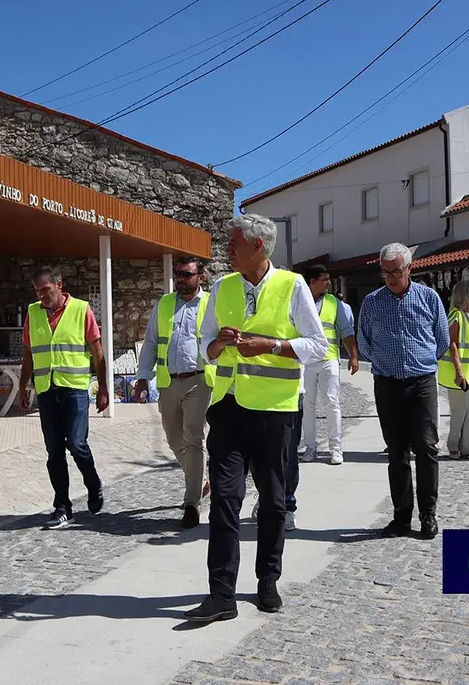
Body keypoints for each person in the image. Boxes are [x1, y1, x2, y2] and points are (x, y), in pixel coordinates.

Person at [183, 213, 327, 623]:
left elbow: (318, 346)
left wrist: (273, 345)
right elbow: (203, 345)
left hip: (274, 411)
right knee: (226, 501)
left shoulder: (292, 284)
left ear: (258, 245)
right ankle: (221, 594)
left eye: (232, 243)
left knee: (273, 501)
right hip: (228, 409)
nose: (226, 249)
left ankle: (267, 580)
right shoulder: (223, 287)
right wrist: (216, 346)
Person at [357, 242, 448, 541]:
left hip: (421, 383)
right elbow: (365, 343)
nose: (391, 278)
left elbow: (441, 340)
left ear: (409, 268)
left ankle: (428, 515)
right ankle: (401, 516)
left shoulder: (429, 298)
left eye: (396, 272)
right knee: (396, 453)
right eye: (385, 273)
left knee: (426, 449)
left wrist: (419, 361)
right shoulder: (371, 302)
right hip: (388, 384)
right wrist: (387, 363)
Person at [18, 266, 109, 530]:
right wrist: (24, 385)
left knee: (77, 444)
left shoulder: (81, 309)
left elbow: (97, 350)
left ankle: (93, 484)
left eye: (45, 290)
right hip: (47, 390)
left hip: (75, 389)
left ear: (59, 285)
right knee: (54, 450)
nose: (41, 296)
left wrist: (102, 388)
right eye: (37, 291)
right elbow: (29, 352)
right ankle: (62, 506)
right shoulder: (33, 312)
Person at [135, 256, 214, 529]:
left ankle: (191, 504)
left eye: (187, 275)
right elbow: (151, 341)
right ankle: (200, 481)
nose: (181, 279)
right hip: (169, 382)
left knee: (194, 440)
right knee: (174, 440)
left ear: (200, 277)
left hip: (200, 382)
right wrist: (143, 377)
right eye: (178, 275)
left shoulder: (211, 304)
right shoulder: (165, 304)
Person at [299, 264, 359, 466]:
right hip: (306, 361)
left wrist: (353, 356)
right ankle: (311, 447)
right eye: (324, 279)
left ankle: (336, 448)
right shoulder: (299, 301)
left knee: (331, 402)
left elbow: (346, 331)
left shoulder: (334, 303)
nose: (328, 283)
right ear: (312, 282)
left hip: (328, 359)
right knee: (308, 405)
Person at [438, 279, 469, 459]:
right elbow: (452, 344)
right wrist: (459, 371)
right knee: (459, 412)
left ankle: (468, 447)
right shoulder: (455, 315)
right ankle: (453, 446)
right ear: (467, 295)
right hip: (461, 371)